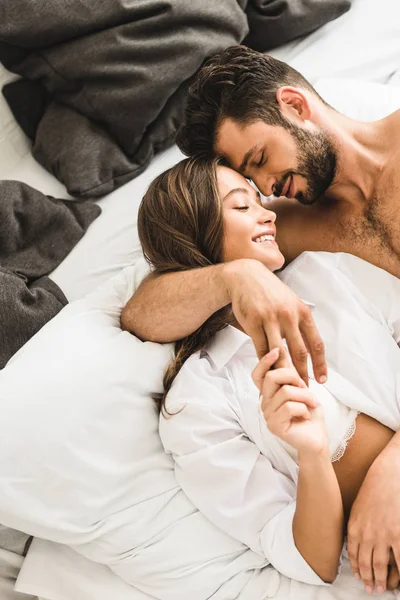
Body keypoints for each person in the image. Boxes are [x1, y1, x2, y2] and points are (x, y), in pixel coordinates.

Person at [121, 46, 400, 591]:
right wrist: (235, 279)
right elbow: (142, 312)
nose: (266, 191)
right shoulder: (296, 229)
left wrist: (395, 466)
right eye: (248, 190)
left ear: (293, 105)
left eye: (258, 161)